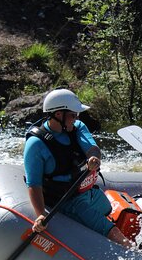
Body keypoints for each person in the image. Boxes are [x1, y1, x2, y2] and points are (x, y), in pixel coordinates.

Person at [23, 88, 132, 247]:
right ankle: (131, 249)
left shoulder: (77, 127)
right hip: (66, 200)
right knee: (110, 230)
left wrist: (93, 158)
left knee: (106, 207)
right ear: (59, 114)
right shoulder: (36, 144)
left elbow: (92, 148)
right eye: (73, 115)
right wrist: (40, 214)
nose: (76, 118)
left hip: (83, 191)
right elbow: (34, 184)